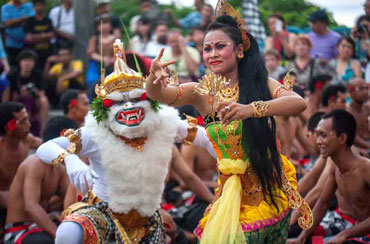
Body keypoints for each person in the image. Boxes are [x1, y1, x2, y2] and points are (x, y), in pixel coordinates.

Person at [146, 0, 311, 242]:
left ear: (239, 50)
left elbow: (298, 102)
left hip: (266, 187)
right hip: (229, 192)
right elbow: (160, 95)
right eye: (207, 48)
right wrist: (153, 78)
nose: (212, 54)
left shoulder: (259, 84)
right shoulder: (201, 91)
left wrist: (251, 109)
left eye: (220, 47)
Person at [36, 39, 215, 244]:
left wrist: (231, 162)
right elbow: (45, 148)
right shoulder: (95, 132)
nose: (128, 107)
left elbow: (206, 137)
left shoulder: (162, 123)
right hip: (103, 213)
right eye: (119, 101)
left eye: (135, 99)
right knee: (68, 231)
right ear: (105, 106)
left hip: (147, 218)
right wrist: (71, 162)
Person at [287, 110, 370, 244]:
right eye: (317, 135)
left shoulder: (365, 168)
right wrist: (301, 238)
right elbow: (322, 203)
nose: (318, 141)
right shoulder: (335, 168)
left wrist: (345, 234)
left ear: (342, 138)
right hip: (353, 231)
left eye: (323, 135)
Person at [3, 117, 71, 244]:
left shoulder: (59, 168)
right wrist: (57, 234)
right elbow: (31, 206)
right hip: (18, 231)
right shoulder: (34, 163)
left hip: (39, 228)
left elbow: (70, 200)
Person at [0, 102, 42, 231]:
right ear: (9, 127)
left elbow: (48, 145)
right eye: (23, 121)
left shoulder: (27, 140)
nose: (29, 125)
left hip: (24, 197)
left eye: (27, 119)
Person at [7, 49, 49, 136]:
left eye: (30, 61)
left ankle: (43, 131)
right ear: (20, 62)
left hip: (34, 102)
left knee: (44, 100)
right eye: (24, 60)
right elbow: (10, 97)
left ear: (34, 63)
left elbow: (42, 93)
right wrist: (21, 93)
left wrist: (35, 92)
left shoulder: (37, 74)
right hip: (18, 102)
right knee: (26, 100)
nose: (27, 63)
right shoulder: (13, 75)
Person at [1, 0, 35, 66]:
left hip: (28, 44)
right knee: (13, 65)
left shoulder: (29, 5)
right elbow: (6, 23)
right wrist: (22, 19)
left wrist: (13, 22)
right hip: (11, 44)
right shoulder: (5, 7)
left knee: (28, 65)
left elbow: (32, 19)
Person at [86, 16, 115, 89]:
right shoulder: (95, 39)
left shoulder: (115, 38)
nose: (104, 26)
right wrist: (103, 59)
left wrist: (111, 60)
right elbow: (91, 53)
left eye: (106, 23)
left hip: (112, 64)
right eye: (102, 24)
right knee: (92, 80)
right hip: (97, 64)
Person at [25, 0, 53, 70]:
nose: (39, 7)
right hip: (33, 53)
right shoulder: (30, 21)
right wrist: (44, 35)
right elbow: (29, 38)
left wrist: (35, 36)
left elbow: (51, 36)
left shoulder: (48, 20)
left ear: (44, 6)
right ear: (34, 7)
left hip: (47, 52)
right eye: (37, 5)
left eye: (41, 5)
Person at [346, 78, 370, 152]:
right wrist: (368, 146)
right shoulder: (347, 112)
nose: (365, 92)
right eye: (361, 89)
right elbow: (352, 136)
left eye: (366, 88)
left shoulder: (367, 108)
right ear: (351, 92)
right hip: (357, 148)